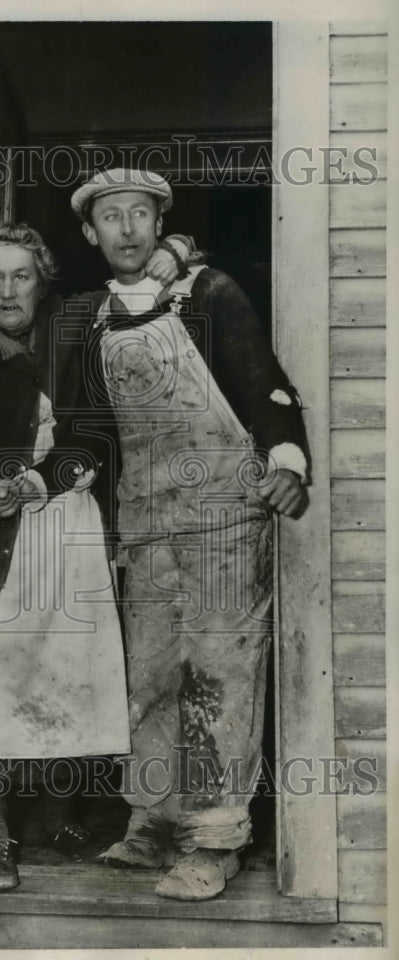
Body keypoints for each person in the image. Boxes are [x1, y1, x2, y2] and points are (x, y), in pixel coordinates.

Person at [0, 221, 191, 892]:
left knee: (67, 673)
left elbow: (92, 434)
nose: (7, 289)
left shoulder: (72, 334)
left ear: (40, 280)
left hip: (63, 524)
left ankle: (55, 815)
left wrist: (38, 480)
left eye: (20, 274)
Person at [69, 168, 310, 901]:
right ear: (90, 233)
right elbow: (92, 435)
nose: (127, 228)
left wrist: (287, 459)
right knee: (149, 678)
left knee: (217, 678)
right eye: (111, 217)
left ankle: (213, 841)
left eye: (140, 213)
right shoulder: (93, 319)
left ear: (159, 221)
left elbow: (262, 381)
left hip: (224, 518)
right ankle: (152, 823)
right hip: (144, 522)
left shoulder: (210, 294)